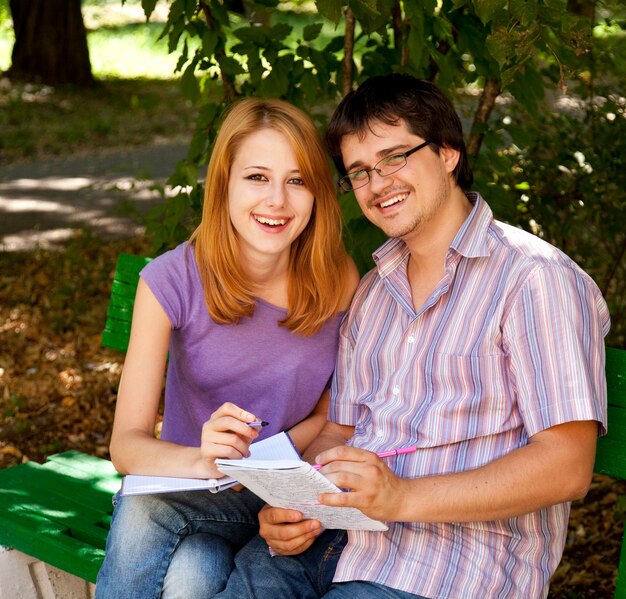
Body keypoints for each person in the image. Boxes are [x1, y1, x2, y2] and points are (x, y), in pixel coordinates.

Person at [215, 74, 611, 599]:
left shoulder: (534, 279)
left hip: (453, 565)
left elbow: (566, 468)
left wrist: (400, 498)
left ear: (448, 152)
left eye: (396, 157)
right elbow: (341, 430)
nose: (379, 184)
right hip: (335, 539)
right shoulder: (374, 291)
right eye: (360, 172)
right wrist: (295, 503)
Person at [95, 97, 359, 599]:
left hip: (283, 499)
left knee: (151, 519)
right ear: (225, 184)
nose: (277, 200)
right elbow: (126, 446)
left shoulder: (337, 279)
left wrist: (262, 461)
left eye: (297, 180)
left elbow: (335, 411)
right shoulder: (170, 280)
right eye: (257, 177)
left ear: (318, 193)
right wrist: (208, 460)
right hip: (193, 496)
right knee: (192, 577)